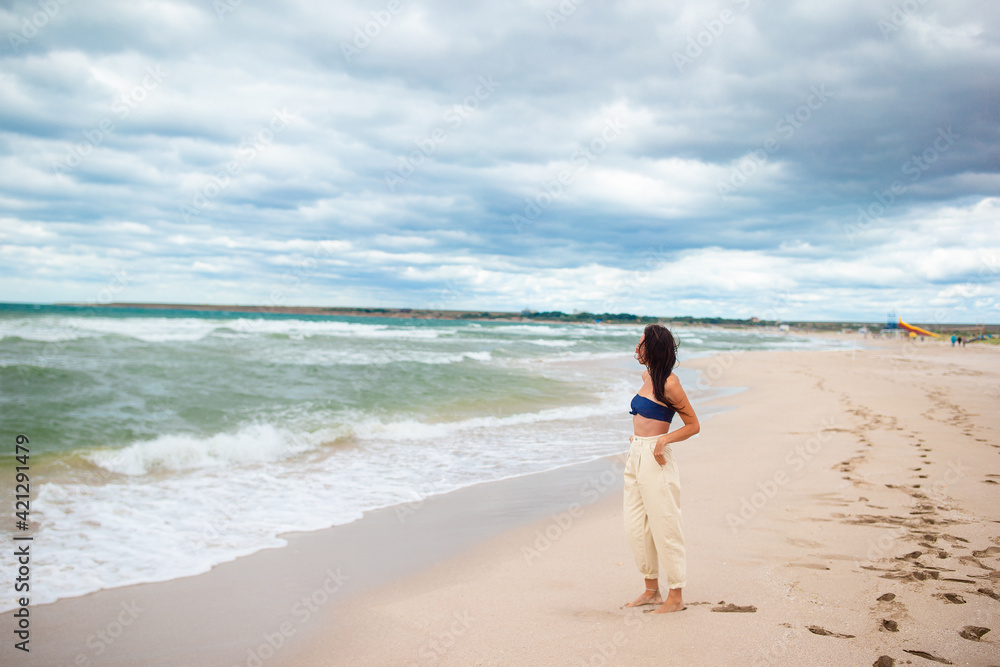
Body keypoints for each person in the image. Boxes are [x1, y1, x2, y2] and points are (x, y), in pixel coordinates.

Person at [623, 324, 700, 614]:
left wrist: (664, 439)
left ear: (653, 348)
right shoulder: (646, 376)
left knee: (665, 526)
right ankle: (651, 590)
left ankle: (676, 596)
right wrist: (639, 441)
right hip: (636, 456)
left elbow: (693, 425)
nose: (636, 349)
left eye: (641, 344)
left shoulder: (670, 383)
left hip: (658, 460)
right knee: (635, 527)